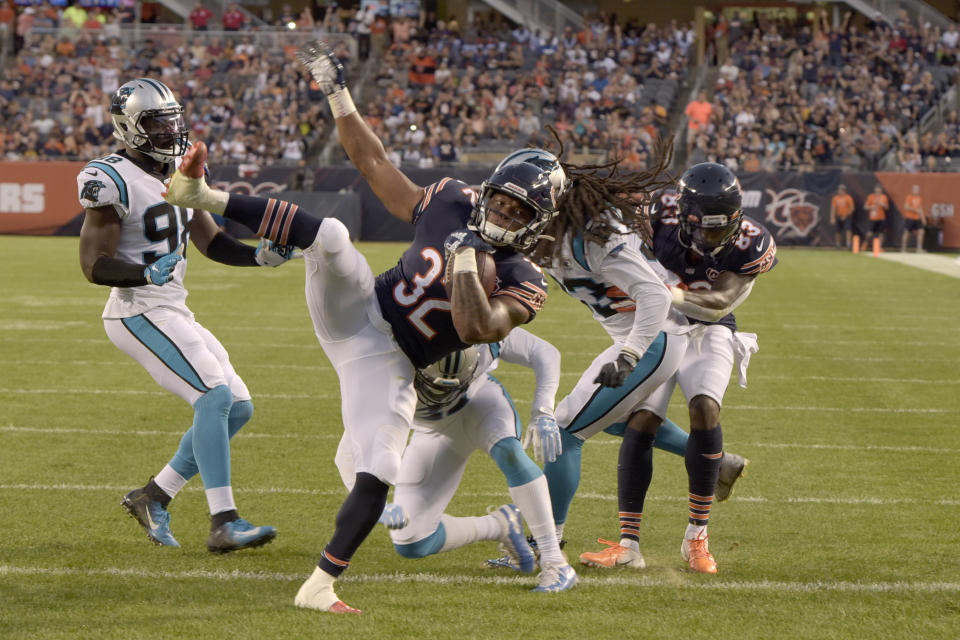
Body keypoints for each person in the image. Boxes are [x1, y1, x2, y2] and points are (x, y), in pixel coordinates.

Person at [162, 41, 565, 614]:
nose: (504, 215)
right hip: (360, 310)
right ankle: (202, 194)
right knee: (328, 235)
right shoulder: (452, 199)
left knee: (379, 468)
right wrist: (337, 91)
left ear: (537, 224)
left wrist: (471, 264)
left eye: (520, 213)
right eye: (502, 201)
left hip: (389, 361)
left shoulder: (525, 279)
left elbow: (478, 329)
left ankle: (320, 584)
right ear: (490, 188)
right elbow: (374, 163)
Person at [77, 78, 286, 553]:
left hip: (170, 306)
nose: (170, 130)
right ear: (130, 127)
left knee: (238, 407)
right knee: (212, 397)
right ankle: (224, 521)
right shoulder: (110, 177)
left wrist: (257, 257)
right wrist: (145, 274)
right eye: (157, 121)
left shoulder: (179, 169)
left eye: (173, 119)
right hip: (136, 311)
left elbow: (210, 240)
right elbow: (94, 265)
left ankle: (153, 496)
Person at [577, 164, 775, 574]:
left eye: (720, 232)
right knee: (642, 420)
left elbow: (719, 303)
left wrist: (662, 291)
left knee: (705, 408)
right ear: (683, 216)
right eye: (702, 229)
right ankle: (628, 544)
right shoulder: (657, 213)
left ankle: (696, 539)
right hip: (660, 328)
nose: (709, 240)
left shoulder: (753, 243)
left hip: (710, 327)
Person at [334, 328, 576, 592]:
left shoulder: (483, 333)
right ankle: (500, 525)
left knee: (510, 453)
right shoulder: (386, 370)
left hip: (479, 404)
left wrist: (543, 410)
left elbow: (544, 351)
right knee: (411, 541)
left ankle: (555, 561)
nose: (443, 394)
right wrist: (374, 506)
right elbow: (348, 451)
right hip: (431, 430)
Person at [901, 184, 926, 252]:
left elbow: (920, 208)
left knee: (921, 232)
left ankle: (919, 248)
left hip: (917, 218)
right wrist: (915, 210)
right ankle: (903, 248)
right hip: (910, 218)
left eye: (917, 190)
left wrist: (923, 218)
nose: (916, 191)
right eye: (915, 189)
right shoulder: (909, 197)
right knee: (906, 233)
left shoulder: (920, 198)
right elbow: (906, 207)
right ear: (912, 190)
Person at [864, 184, 889, 250]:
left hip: (881, 218)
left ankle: (879, 247)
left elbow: (887, 207)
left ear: (881, 190)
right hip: (873, 218)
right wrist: (871, 207)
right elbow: (865, 207)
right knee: (870, 233)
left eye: (879, 189)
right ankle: (865, 243)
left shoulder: (884, 197)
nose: (878, 190)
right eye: (877, 189)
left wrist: (883, 205)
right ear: (875, 189)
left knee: (881, 233)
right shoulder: (871, 197)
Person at [830, 184, 855, 249]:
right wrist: (832, 217)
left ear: (845, 191)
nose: (841, 191)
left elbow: (852, 208)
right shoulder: (835, 198)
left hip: (847, 216)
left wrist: (846, 215)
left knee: (848, 230)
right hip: (839, 216)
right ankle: (838, 244)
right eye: (840, 190)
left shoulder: (848, 197)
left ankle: (848, 244)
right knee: (838, 231)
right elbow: (833, 208)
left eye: (842, 190)